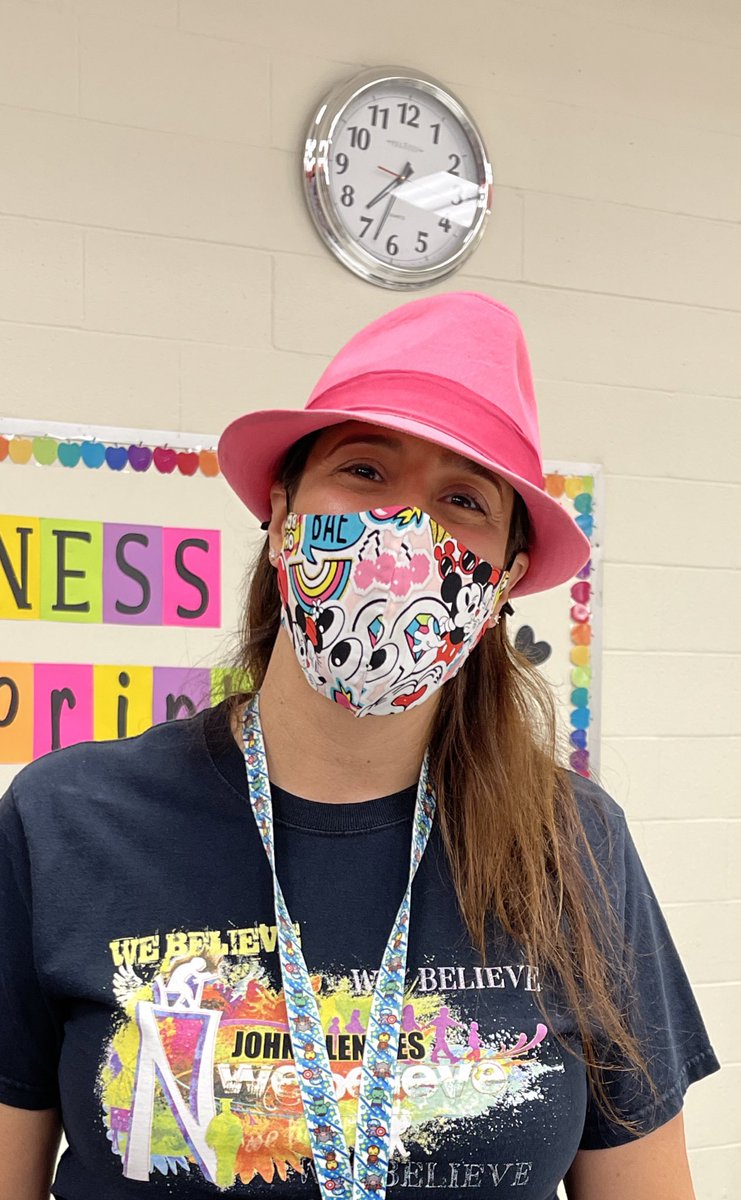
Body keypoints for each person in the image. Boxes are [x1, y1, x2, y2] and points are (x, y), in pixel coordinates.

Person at [0, 291, 719, 1200]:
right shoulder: (66, 822)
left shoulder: (573, 848)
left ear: (500, 585)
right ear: (281, 515)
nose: (402, 535)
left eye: (462, 499)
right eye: (365, 471)